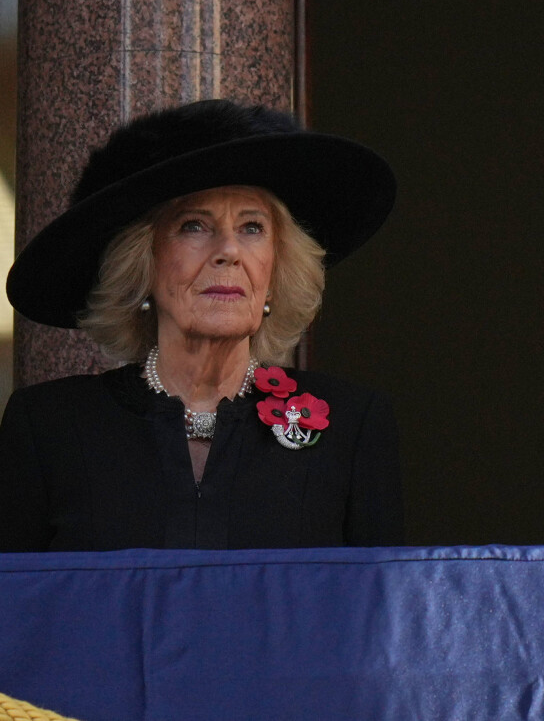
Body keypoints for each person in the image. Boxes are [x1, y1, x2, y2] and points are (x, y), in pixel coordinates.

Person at [0, 99, 406, 550]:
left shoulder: (352, 426)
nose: (229, 250)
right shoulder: (50, 426)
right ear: (144, 265)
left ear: (275, 272)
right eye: (194, 225)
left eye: (252, 227)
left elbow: (379, 613)